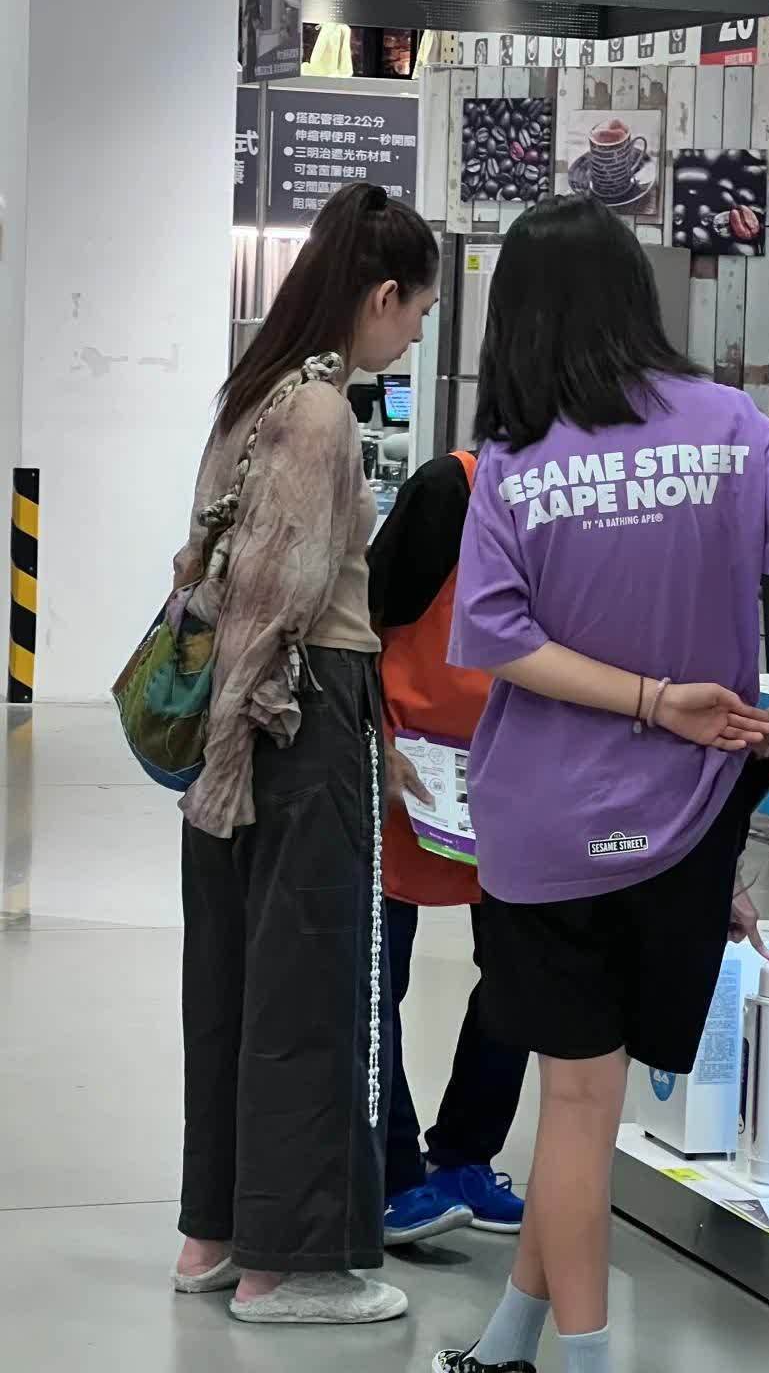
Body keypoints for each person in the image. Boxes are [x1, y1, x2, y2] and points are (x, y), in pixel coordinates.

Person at [436, 194, 769, 1373]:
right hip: (685, 830)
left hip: (545, 831)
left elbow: (498, 639)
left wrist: (643, 697)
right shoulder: (729, 424)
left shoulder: (515, 463)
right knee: (591, 1105)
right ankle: (509, 1342)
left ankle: (581, 1361)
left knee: (575, 1109)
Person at [171, 183, 440, 1325]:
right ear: (380, 296)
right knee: (311, 981)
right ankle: (285, 1267)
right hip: (293, 717)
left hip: (239, 725)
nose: (414, 335)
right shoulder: (323, 412)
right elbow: (282, 603)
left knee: (232, 979)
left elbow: (212, 570)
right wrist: (262, 750)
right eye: (416, 312)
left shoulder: (252, 393)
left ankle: (215, 1235)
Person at [367, 450, 529, 1246]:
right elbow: (357, 622)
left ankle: (464, 1155)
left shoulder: (585, 511)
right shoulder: (448, 492)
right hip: (409, 771)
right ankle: (390, 1175)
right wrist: (373, 742)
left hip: (516, 773)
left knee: (522, 975)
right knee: (377, 979)